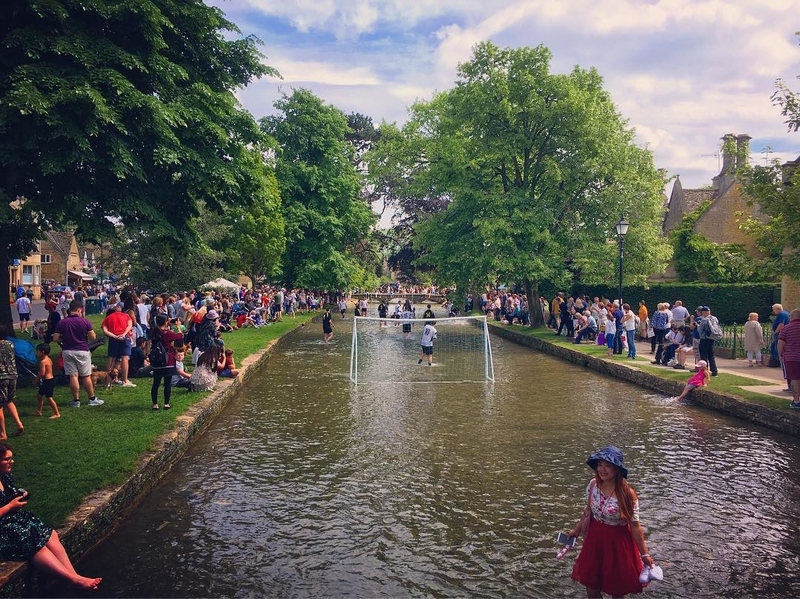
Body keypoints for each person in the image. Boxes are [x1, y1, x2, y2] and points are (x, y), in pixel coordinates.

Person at [0, 443, 102, 591]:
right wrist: (10, 506)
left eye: (11, 458)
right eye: (7, 459)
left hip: (11, 519)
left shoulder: (5, 475)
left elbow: (10, 494)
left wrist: (20, 495)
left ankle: (74, 576)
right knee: (32, 541)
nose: (12, 462)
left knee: (51, 534)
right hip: (3, 528)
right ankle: (72, 579)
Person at [568, 446, 655, 597]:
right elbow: (588, 511)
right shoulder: (593, 485)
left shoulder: (628, 494)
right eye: (600, 465)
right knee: (591, 585)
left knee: (617, 588)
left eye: (608, 465)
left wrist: (644, 555)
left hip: (617, 543)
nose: (602, 469)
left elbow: (635, 526)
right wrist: (576, 530)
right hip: (595, 539)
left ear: (617, 469)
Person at [52, 300, 104, 407]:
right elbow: (93, 337)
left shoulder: (62, 322)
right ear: (79, 310)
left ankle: (76, 400)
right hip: (82, 350)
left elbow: (55, 338)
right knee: (86, 376)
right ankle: (91, 398)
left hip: (67, 350)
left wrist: (64, 338)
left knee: (73, 376)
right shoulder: (85, 322)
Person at [149, 314, 183, 411]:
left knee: (156, 383)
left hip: (156, 361)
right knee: (167, 383)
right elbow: (179, 337)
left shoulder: (154, 332)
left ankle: (155, 404)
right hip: (167, 360)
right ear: (165, 322)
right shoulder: (167, 333)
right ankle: (166, 404)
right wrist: (178, 327)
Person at [101, 304, 135, 388]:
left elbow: (105, 330)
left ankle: (107, 379)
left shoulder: (108, 317)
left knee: (111, 359)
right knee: (125, 358)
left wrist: (114, 336)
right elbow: (130, 325)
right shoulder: (126, 316)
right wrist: (123, 334)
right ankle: (125, 380)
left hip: (113, 339)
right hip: (125, 338)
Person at [0, 325, 25, 439]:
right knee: (9, 401)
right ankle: (19, 424)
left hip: (1, 377)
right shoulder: (10, 344)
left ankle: (3, 433)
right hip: (13, 375)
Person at [778, 309, 800, 409]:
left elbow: (780, 343)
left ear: (792, 317)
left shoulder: (787, 328)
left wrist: (780, 354)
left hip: (791, 358)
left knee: (795, 379)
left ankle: (796, 402)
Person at [34, 343, 60, 419]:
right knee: (39, 395)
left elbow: (42, 373)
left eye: (38, 351)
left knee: (49, 398)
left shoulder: (43, 362)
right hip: (48, 381)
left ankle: (57, 413)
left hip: (48, 382)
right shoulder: (48, 358)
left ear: (42, 352)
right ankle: (39, 411)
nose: (37, 353)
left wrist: (36, 380)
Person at [771, 303, 792, 390]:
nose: (773, 311)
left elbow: (781, 324)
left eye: (774, 310)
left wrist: (776, 332)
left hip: (780, 334)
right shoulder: (785, 314)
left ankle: (777, 362)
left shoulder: (782, 314)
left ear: (777, 309)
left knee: (777, 348)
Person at [697, 306, 719, 377]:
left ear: (703, 312)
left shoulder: (704, 320)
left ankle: (704, 372)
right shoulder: (714, 318)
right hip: (711, 339)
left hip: (704, 339)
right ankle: (714, 371)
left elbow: (700, 331)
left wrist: (698, 326)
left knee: (703, 356)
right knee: (711, 356)